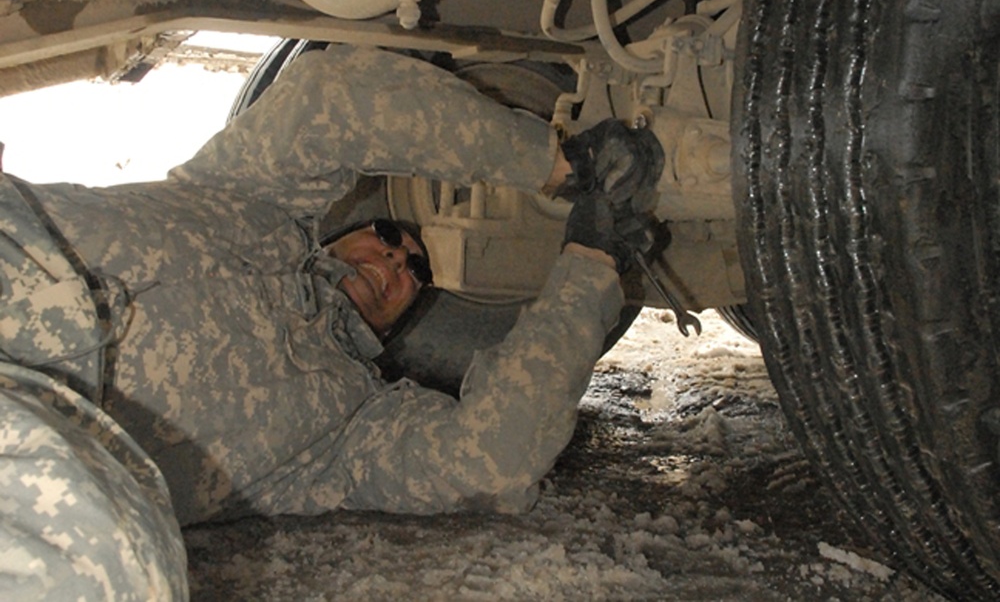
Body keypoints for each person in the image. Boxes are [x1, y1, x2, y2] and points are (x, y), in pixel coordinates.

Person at [0, 44, 662, 600]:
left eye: (416, 272)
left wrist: (588, 263)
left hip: (39, 470)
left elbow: (492, 459)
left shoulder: (348, 430)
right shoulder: (242, 195)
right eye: (386, 235)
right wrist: (554, 163)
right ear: (338, 237)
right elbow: (331, 98)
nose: (396, 259)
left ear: (402, 328)